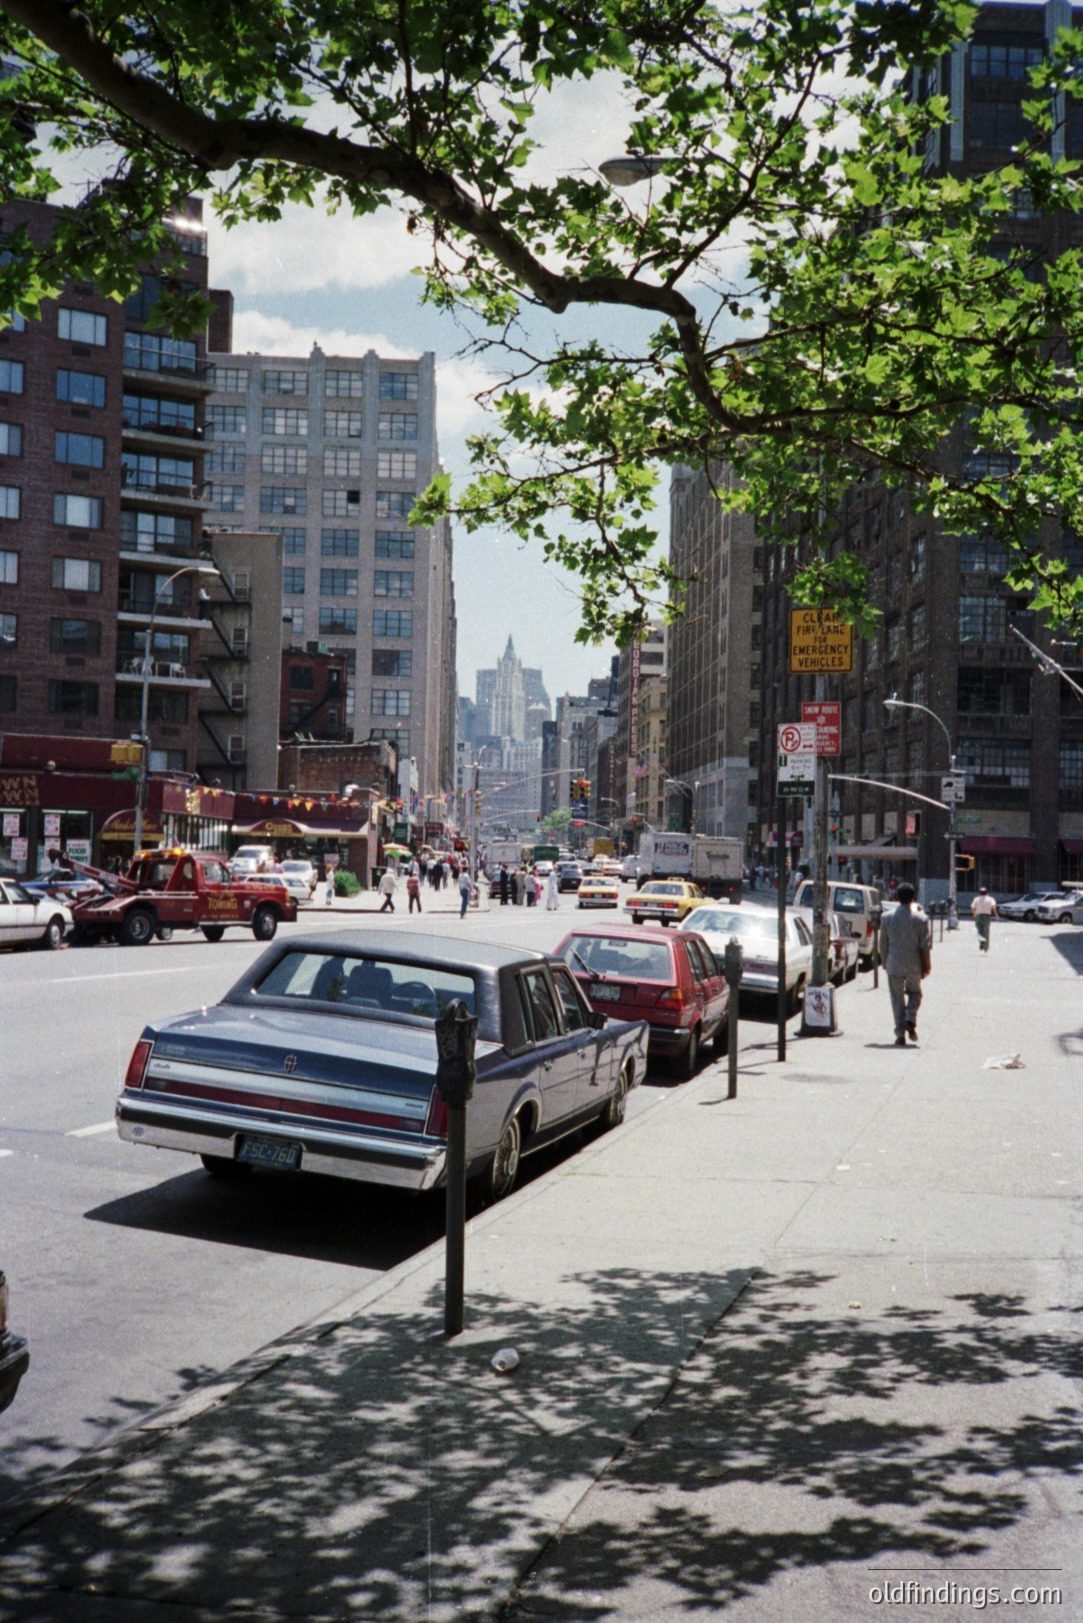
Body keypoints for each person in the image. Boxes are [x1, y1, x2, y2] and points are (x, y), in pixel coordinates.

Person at [878, 881, 931, 1046]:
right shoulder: (921, 919)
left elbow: (883, 943)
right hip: (914, 965)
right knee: (915, 994)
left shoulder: (886, 917)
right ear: (913, 898)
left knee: (896, 998)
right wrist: (927, 965)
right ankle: (910, 1018)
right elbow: (925, 947)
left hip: (894, 963)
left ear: (896, 897)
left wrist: (884, 961)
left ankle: (900, 1033)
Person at [972, 885, 998, 952]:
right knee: (986, 931)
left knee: (979, 930)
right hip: (987, 916)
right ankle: (986, 947)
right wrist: (996, 915)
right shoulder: (990, 899)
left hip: (979, 916)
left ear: (980, 893)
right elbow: (993, 907)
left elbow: (973, 907)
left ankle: (981, 940)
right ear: (987, 892)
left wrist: (974, 914)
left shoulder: (976, 899)